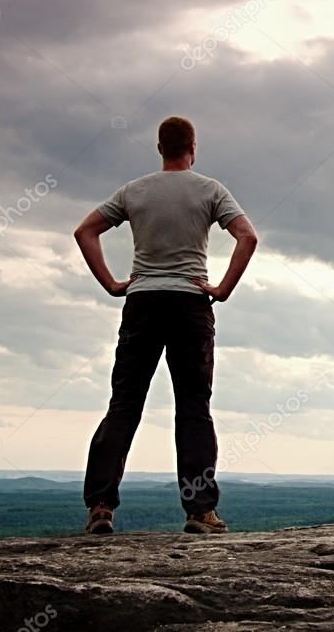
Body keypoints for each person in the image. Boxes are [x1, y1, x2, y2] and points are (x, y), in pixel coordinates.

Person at [74, 116, 258, 534]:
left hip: (142, 302)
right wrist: (223, 288)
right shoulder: (211, 190)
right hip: (191, 303)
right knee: (193, 408)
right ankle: (199, 512)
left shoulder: (133, 191)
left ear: (160, 148)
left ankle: (101, 506)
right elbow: (247, 236)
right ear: (193, 147)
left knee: (124, 405)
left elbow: (85, 231)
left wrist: (112, 284)